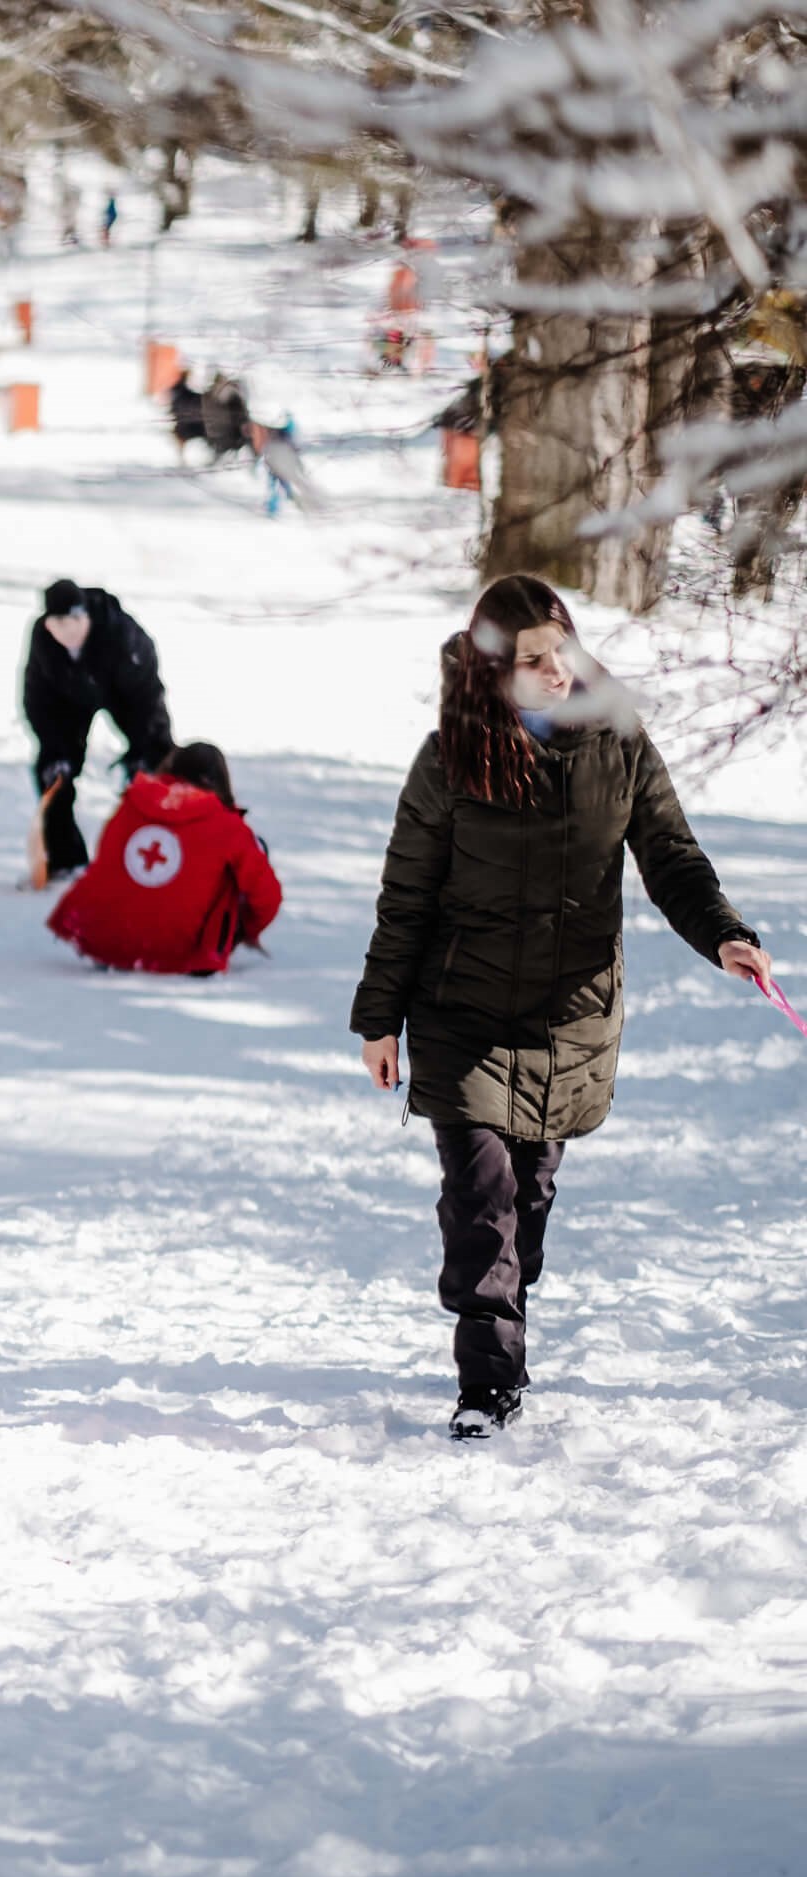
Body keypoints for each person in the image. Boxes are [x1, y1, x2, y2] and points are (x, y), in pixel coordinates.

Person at [351, 575, 770, 1440]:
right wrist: (379, 1018)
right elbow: (407, 898)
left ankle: (505, 1308)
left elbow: (670, 854)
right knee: (482, 1202)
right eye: (533, 661)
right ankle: (487, 1386)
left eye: (562, 652)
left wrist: (724, 932)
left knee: (526, 1205)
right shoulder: (450, 757)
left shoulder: (616, 740)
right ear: (493, 671)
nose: (556, 672)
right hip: (462, 1012)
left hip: (568, 1016)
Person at [48, 743, 280, 974]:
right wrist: (245, 930)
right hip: (183, 954)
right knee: (246, 859)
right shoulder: (227, 825)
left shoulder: (131, 804)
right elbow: (267, 898)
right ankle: (205, 947)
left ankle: (120, 938)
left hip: (106, 945)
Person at [24, 579, 175, 879]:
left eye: (74, 622)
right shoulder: (44, 641)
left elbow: (146, 696)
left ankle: (163, 848)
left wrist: (143, 747)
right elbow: (37, 698)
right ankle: (65, 859)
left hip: (126, 693)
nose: (66, 632)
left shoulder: (119, 633)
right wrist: (55, 748)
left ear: (86, 618)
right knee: (52, 771)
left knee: (156, 761)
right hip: (70, 697)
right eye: (57, 624)